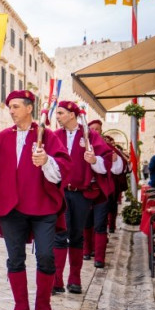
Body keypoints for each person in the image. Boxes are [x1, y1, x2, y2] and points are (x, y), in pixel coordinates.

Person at [0, 90, 71, 310]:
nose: (12, 111)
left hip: (42, 206)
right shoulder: (3, 137)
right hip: (11, 208)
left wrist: (46, 161)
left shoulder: (46, 136)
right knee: (15, 258)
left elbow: (63, 168)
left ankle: (44, 308)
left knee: (46, 256)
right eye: (10, 107)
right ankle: (21, 308)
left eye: (16, 106)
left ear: (28, 108)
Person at [52, 102, 113, 293]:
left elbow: (106, 161)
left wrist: (94, 160)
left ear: (72, 115)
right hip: (60, 193)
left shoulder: (90, 135)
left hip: (81, 194)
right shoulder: (55, 136)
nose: (57, 116)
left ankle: (75, 279)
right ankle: (56, 280)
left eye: (60, 113)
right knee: (59, 235)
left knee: (76, 236)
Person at [86, 119, 125, 262]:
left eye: (97, 129)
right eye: (92, 129)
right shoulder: (81, 145)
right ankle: (86, 250)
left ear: (101, 131)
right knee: (86, 222)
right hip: (85, 191)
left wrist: (115, 160)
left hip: (102, 191)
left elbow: (119, 169)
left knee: (100, 223)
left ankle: (99, 257)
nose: (94, 131)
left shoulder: (108, 147)